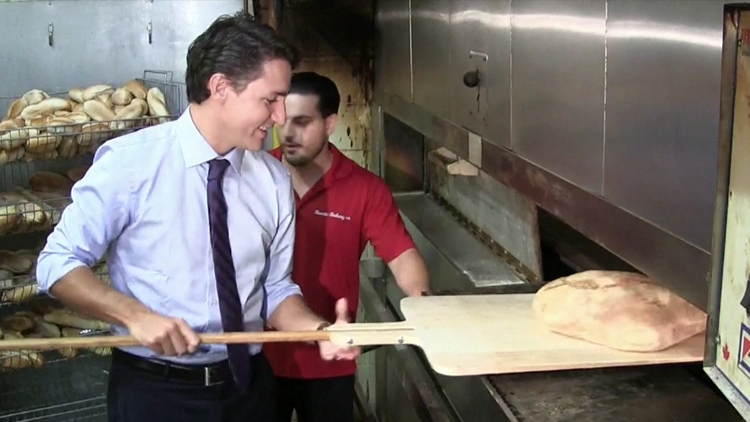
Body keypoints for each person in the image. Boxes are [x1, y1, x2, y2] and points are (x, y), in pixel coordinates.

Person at [35, 13, 359, 422]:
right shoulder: (132, 164)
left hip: (248, 389)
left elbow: (275, 288)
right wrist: (136, 316)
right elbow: (57, 263)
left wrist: (318, 332)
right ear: (220, 87)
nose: (280, 118)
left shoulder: (273, 179)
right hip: (155, 393)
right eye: (270, 100)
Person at [264, 72, 431, 422]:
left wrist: (426, 306)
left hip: (331, 360)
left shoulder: (365, 189)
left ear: (331, 123)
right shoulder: (256, 177)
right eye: (283, 120)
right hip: (259, 358)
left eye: (302, 122)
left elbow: (403, 260)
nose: (288, 133)